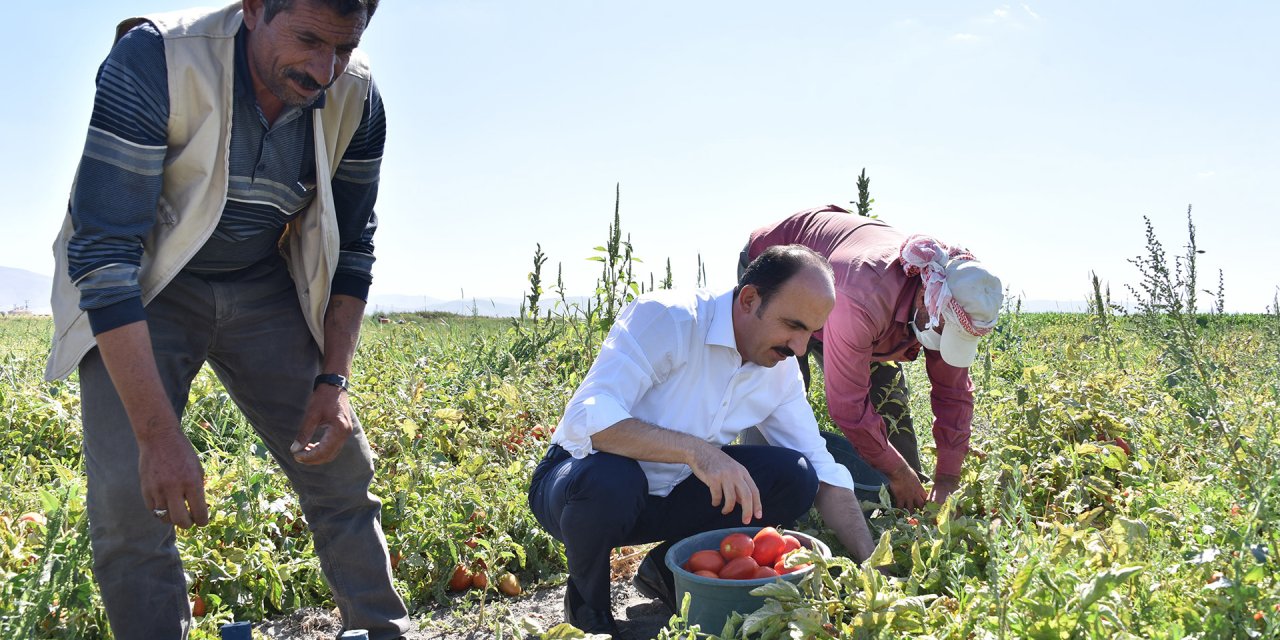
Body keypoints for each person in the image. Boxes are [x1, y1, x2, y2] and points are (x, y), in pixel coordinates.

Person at [44, 1, 408, 638]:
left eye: (344, 48)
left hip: (260, 281)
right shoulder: (156, 59)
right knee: (131, 503)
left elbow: (354, 246)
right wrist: (157, 434)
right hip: (145, 287)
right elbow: (104, 255)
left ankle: (381, 631)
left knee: (339, 466)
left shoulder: (357, 96)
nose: (324, 69)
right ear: (255, 7)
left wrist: (333, 382)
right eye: (308, 39)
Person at [527, 246, 878, 635]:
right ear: (749, 300)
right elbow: (587, 420)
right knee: (612, 478)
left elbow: (823, 468)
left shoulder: (779, 372)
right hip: (579, 488)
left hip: (670, 493)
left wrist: (871, 569)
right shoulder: (670, 319)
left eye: (810, 333)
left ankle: (668, 570)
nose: (799, 348)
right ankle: (588, 611)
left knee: (795, 475)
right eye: (792, 325)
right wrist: (698, 451)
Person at [742, 205, 1003, 511]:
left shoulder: (943, 304)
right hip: (781, 267)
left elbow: (953, 394)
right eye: (945, 332)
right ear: (925, 299)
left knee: (888, 396)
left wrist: (947, 478)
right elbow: (848, 406)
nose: (946, 341)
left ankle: (906, 502)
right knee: (773, 389)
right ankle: (759, 502)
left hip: (852, 292)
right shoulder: (863, 298)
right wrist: (897, 471)